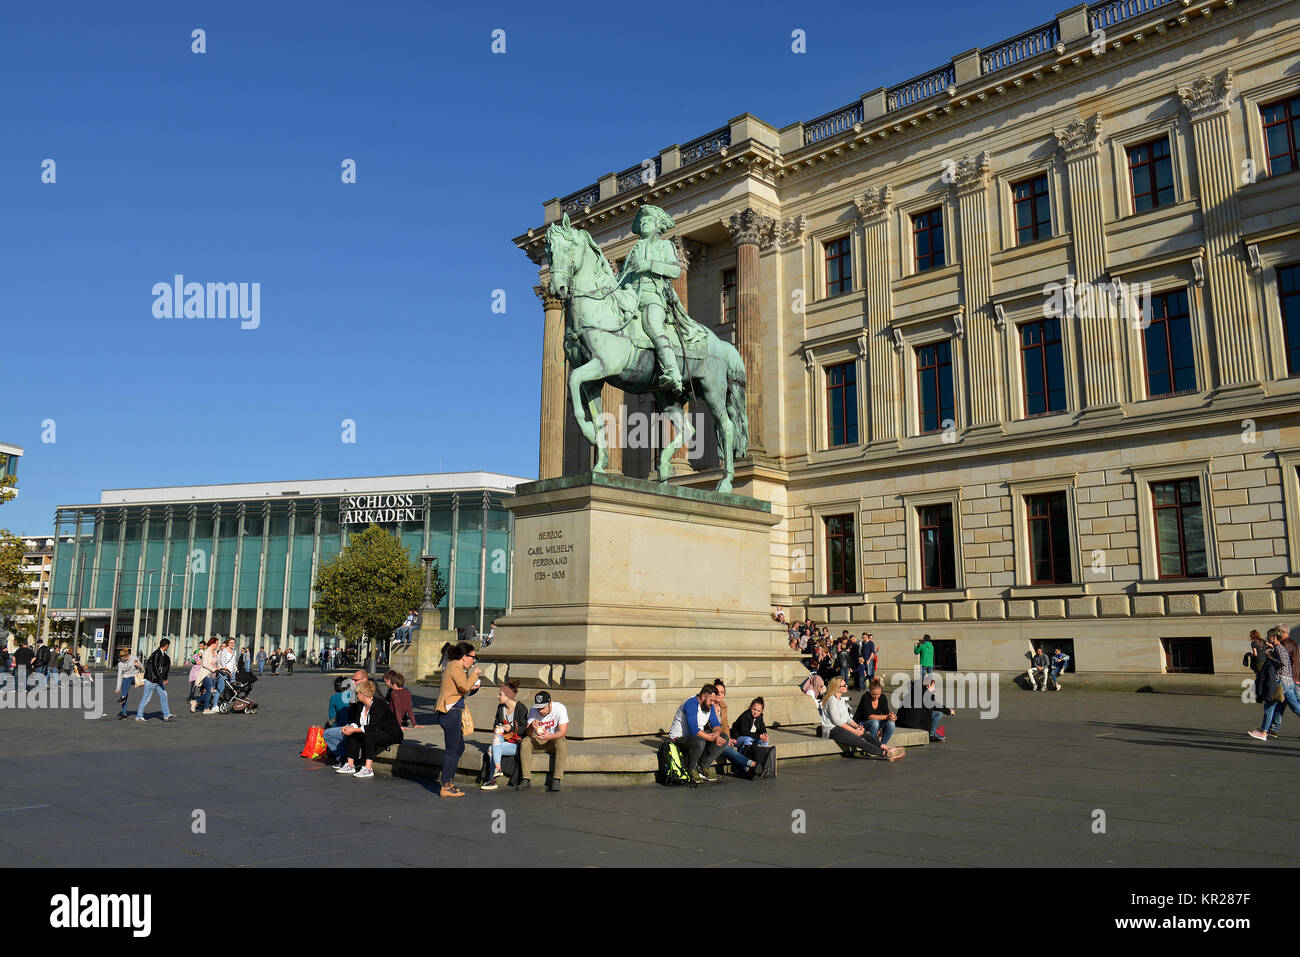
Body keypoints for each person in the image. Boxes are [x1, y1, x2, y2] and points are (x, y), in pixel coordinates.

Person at [435, 642, 481, 798]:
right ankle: (446, 786)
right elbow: (463, 686)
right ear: (464, 656)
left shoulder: (455, 667)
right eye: (472, 657)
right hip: (451, 712)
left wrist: (470, 686)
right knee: (452, 749)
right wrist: (475, 675)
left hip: (453, 711)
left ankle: (450, 782)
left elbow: (461, 689)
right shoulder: (455, 666)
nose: (473, 661)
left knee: (459, 748)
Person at [333, 680, 403, 779]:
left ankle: (368, 768)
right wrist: (350, 727)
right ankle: (350, 764)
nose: (356, 696)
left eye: (357, 694)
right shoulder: (361, 705)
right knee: (354, 734)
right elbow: (357, 722)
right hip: (374, 730)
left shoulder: (379, 705)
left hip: (389, 733)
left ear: (363, 694)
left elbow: (372, 726)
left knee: (368, 735)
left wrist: (354, 729)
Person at [821, 678, 904, 760]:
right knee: (860, 740)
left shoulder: (841, 700)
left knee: (864, 733)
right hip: (832, 730)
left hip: (842, 727)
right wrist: (854, 731)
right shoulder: (832, 700)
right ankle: (885, 753)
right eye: (844, 685)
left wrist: (857, 727)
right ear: (837, 688)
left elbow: (848, 719)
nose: (847, 686)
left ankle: (886, 747)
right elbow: (837, 721)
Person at [669, 684, 726, 785]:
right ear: (704, 696)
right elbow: (694, 730)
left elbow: (716, 724)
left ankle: (703, 766)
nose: (713, 703)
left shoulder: (709, 706)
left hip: (695, 737)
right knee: (700, 741)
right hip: (679, 738)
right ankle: (691, 769)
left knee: (724, 737)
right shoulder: (691, 704)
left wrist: (716, 734)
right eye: (711, 700)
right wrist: (711, 738)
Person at [1251, 628, 1300, 741]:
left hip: (1282, 682)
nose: (1268, 638)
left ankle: (1263, 733)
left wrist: (1276, 680)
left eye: (1269, 637)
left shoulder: (1279, 649)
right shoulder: (1279, 648)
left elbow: (1281, 665)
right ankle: (1264, 730)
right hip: (1289, 682)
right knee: (1295, 707)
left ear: (1274, 637)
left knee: (1269, 706)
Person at [516, 691, 569, 792]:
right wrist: (531, 727)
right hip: (539, 740)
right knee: (525, 742)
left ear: (550, 703)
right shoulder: (533, 710)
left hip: (553, 740)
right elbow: (528, 733)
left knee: (561, 742)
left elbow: (563, 732)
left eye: (543, 707)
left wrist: (549, 737)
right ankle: (526, 778)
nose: (540, 711)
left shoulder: (560, 708)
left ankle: (557, 779)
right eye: (539, 708)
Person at [481, 680, 529, 790]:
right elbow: (495, 725)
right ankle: (498, 768)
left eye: (500, 694)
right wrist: (501, 728)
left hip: (516, 742)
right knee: (497, 735)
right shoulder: (500, 708)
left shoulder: (521, 708)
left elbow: (525, 729)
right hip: (502, 739)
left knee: (490, 749)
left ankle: (492, 779)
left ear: (508, 695)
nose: (498, 696)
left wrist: (512, 728)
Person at [324, 670, 369, 765]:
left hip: (344, 728)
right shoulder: (356, 694)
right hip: (356, 726)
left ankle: (341, 757)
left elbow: (332, 717)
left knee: (328, 733)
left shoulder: (334, 697)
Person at [899, 676, 955, 742]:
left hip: (901, 722)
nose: (934, 689)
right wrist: (949, 711)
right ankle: (931, 735)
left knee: (930, 711)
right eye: (933, 686)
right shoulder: (925, 693)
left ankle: (933, 732)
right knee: (938, 713)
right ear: (928, 686)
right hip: (913, 724)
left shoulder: (913, 691)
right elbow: (935, 705)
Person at [135, 639, 176, 722]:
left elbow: (163, 668)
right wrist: (162, 678)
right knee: (146, 698)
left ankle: (166, 715)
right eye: (168, 645)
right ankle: (139, 716)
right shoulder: (156, 654)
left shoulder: (163, 655)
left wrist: (163, 678)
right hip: (151, 680)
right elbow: (155, 667)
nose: (168, 647)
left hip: (157, 680)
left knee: (164, 695)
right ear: (166, 645)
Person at [853, 677, 897, 746]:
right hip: (862, 723)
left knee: (891, 724)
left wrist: (891, 716)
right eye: (874, 694)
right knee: (874, 723)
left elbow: (886, 713)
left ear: (881, 692)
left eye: (878, 694)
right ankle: (870, 746)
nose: (876, 697)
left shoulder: (883, 697)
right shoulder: (865, 697)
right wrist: (887, 716)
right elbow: (870, 716)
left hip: (876, 722)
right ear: (869, 691)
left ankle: (882, 746)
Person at [191, 638, 219, 715]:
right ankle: (206, 709)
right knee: (209, 690)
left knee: (209, 692)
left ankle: (195, 701)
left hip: (213, 675)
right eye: (216, 643)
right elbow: (205, 664)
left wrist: (219, 668)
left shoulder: (215, 652)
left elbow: (216, 663)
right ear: (212, 643)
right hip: (206, 674)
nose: (217, 645)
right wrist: (213, 669)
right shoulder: (207, 651)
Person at [114, 647, 144, 720]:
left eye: (123, 658)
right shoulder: (120, 663)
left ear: (126, 656)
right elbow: (120, 675)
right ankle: (124, 714)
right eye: (121, 659)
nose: (122, 660)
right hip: (126, 679)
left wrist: (138, 665)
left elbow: (142, 668)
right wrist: (118, 687)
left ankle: (123, 697)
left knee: (128, 679)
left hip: (135, 678)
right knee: (125, 684)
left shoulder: (134, 658)